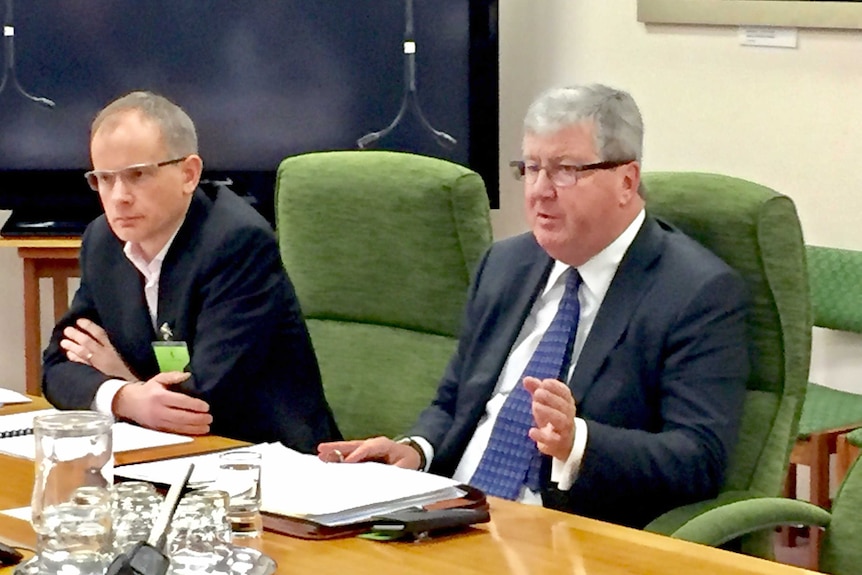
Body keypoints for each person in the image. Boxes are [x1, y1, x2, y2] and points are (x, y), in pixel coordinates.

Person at [318, 84, 750, 528]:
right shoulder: (506, 264)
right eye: (530, 168)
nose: (540, 190)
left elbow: (700, 458)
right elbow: (454, 401)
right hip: (450, 517)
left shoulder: (697, 292)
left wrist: (577, 442)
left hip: (565, 534)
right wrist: (415, 450)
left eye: (565, 170)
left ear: (627, 181)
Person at [42, 91, 340, 452]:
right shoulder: (103, 241)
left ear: (189, 174)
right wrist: (125, 397)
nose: (119, 196)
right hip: (162, 454)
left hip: (264, 459)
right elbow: (57, 367)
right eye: (105, 179)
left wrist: (122, 376)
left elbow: (206, 400)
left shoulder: (237, 242)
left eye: (137, 175)